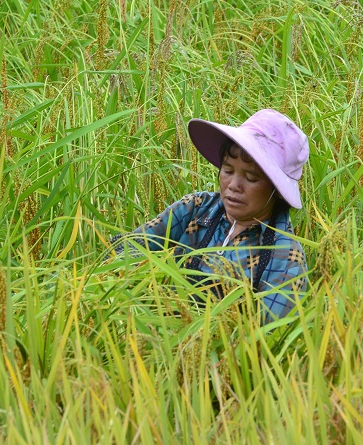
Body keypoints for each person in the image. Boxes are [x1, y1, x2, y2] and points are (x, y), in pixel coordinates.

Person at [111, 109, 310, 323]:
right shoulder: (196, 209)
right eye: (228, 170)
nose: (233, 186)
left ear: (276, 189)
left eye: (251, 178)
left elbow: (268, 336)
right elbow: (128, 248)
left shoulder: (285, 257)